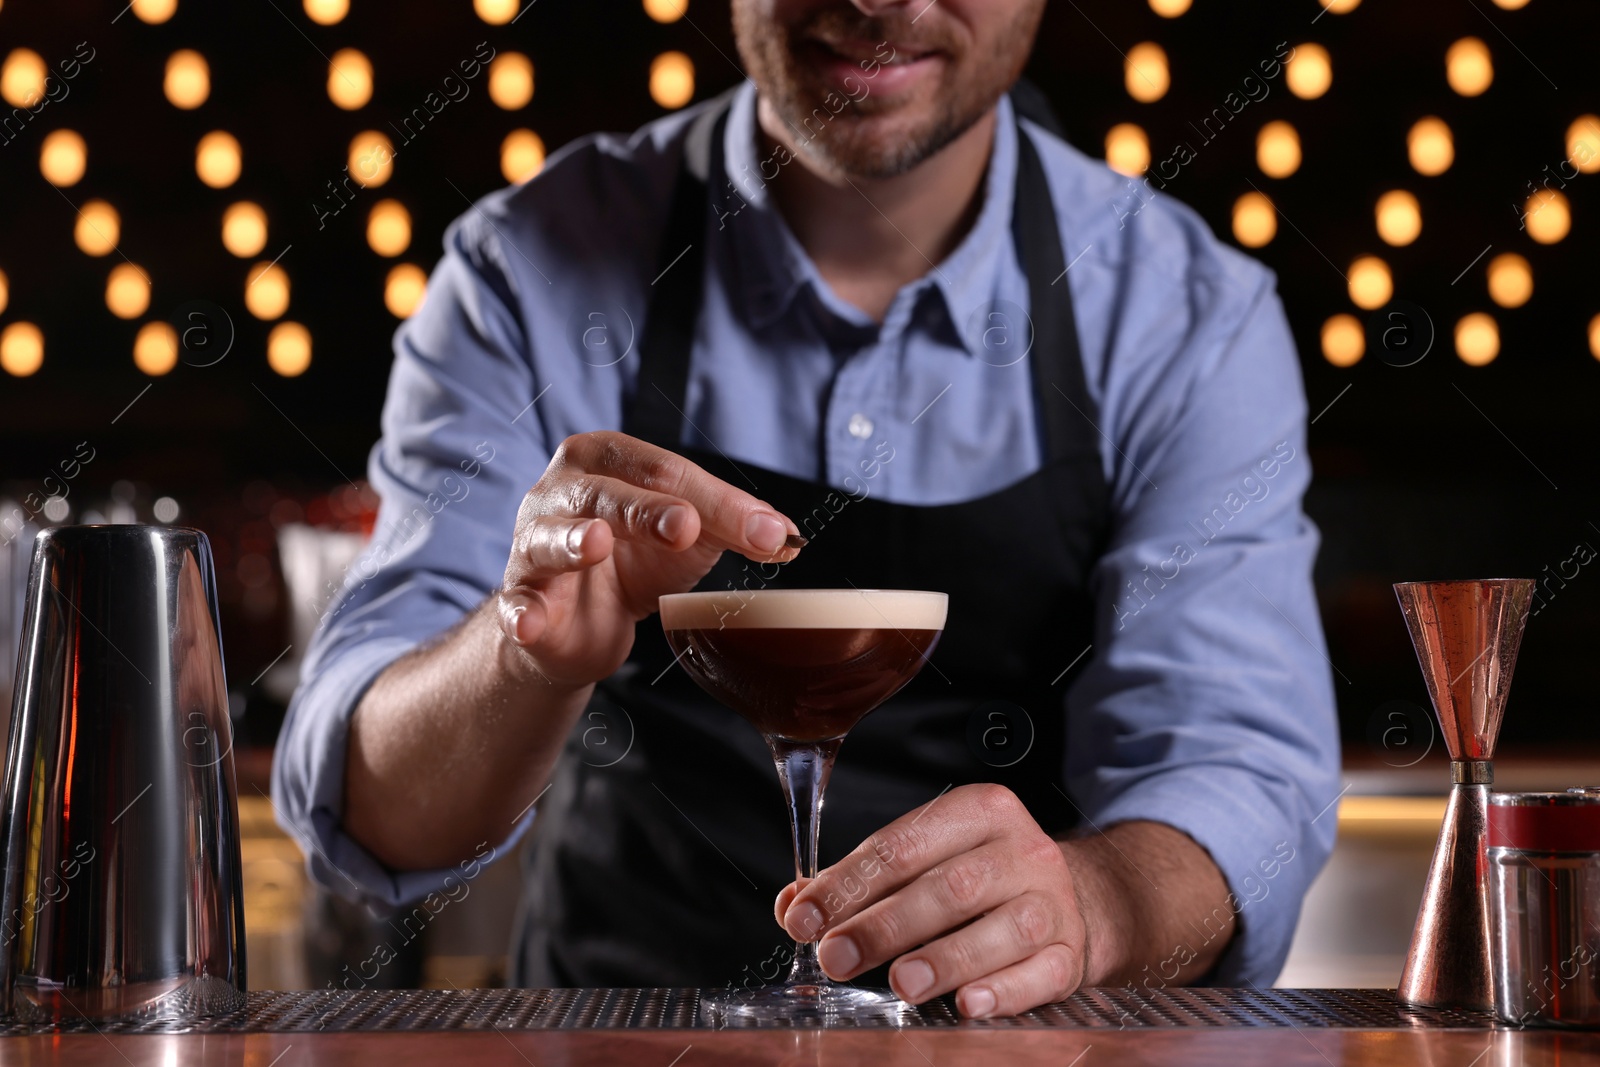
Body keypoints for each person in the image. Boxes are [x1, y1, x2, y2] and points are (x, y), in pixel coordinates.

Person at [274, 0, 1340, 1017]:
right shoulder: (531, 266)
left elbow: (1235, 774)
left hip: (1008, 1037)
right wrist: (522, 652)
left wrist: (1095, 902)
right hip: (618, 1028)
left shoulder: (1183, 317)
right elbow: (371, 816)